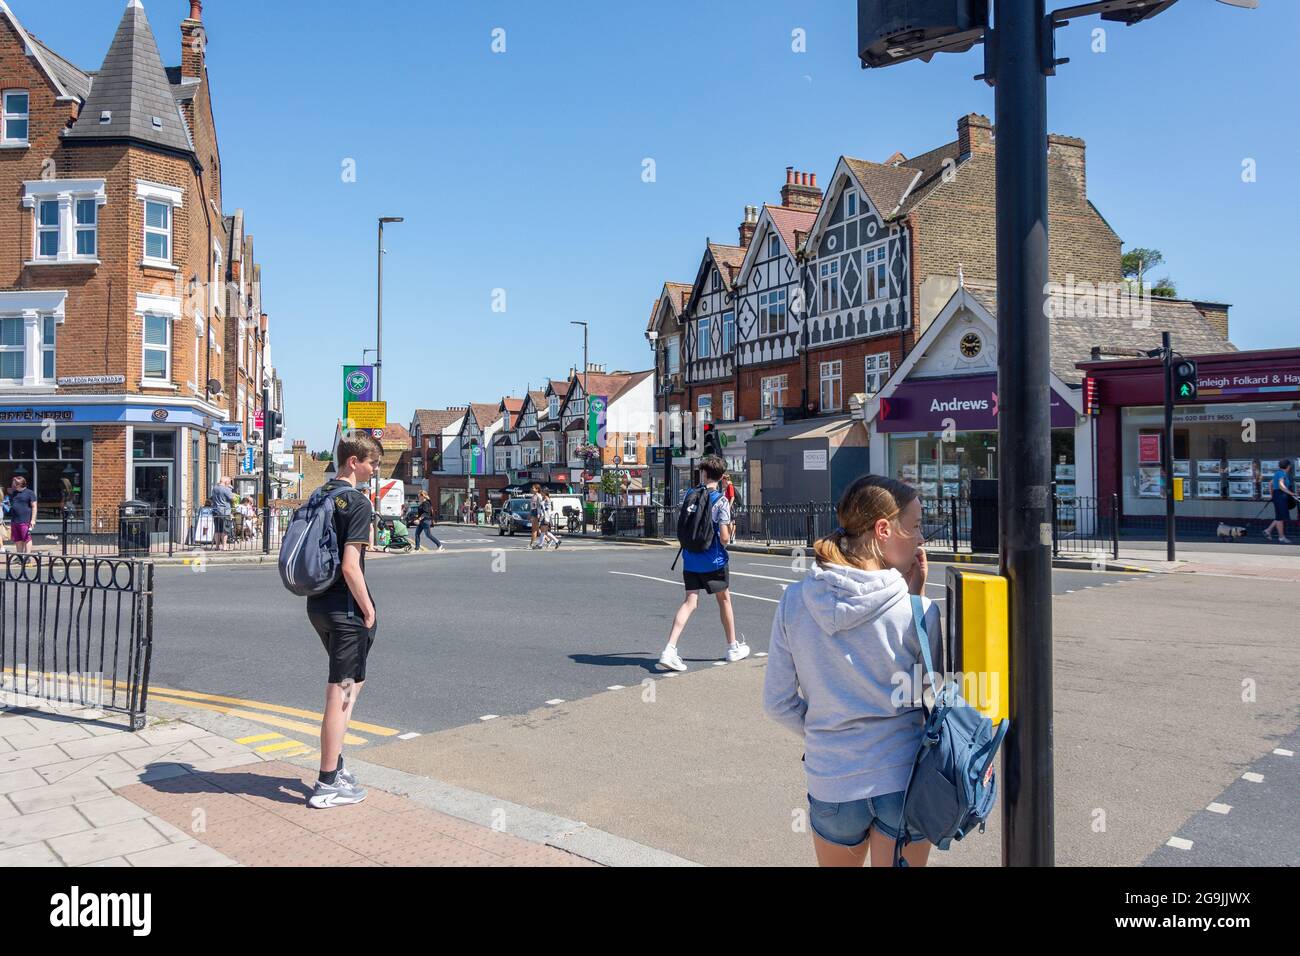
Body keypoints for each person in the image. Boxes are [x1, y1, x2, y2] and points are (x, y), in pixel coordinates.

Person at [763, 475, 940, 868]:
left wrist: (827, 729)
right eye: (913, 526)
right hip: (904, 778)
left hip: (832, 779)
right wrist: (917, 597)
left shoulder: (793, 602)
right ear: (883, 529)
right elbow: (930, 695)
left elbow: (776, 703)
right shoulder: (919, 611)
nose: (920, 539)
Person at [305, 432, 382, 809]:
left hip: (317, 604)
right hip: (346, 610)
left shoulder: (320, 495)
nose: (375, 470)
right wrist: (368, 610)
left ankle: (337, 767)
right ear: (354, 462)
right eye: (373, 463)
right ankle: (326, 784)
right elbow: (352, 567)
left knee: (350, 689)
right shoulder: (356, 503)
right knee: (340, 695)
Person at [659, 455, 750, 671]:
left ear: (704, 473)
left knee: (690, 602)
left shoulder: (690, 494)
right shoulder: (720, 501)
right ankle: (732, 647)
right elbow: (725, 538)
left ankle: (669, 649)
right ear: (720, 477)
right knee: (724, 600)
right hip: (713, 560)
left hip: (690, 558)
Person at [1264, 459, 1298, 544]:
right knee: (1281, 517)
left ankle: (1268, 531)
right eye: (1290, 465)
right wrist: (1291, 493)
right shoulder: (1282, 474)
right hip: (1281, 495)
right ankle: (1281, 537)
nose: (1290, 467)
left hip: (1278, 496)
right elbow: (1281, 485)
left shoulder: (1278, 473)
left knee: (1279, 516)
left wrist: (1272, 495)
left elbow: (1270, 483)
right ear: (1288, 466)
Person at [7, 476, 37, 554]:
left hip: (25, 520)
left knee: (26, 538)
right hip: (14, 521)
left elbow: (34, 506)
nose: (12, 484)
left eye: (14, 483)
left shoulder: (30, 493)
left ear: (19, 484)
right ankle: (20, 556)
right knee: (17, 540)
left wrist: (33, 520)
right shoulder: (14, 493)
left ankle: (27, 556)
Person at [209, 476, 234, 551]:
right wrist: (230, 488)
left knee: (217, 529)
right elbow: (232, 498)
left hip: (215, 510)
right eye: (229, 482)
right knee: (225, 529)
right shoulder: (226, 489)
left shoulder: (215, 488)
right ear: (226, 482)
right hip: (225, 511)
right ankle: (224, 546)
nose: (229, 484)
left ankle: (217, 546)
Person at [528, 484, 544, 549]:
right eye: (532, 488)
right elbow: (532, 506)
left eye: (533, 488)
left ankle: (531, 544)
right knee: (537, 529)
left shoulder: (538, 496)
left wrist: (539, 513)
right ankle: (548, 540)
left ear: (537, 489)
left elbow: (540, 505)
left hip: (536, 512)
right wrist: (530, 513)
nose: (532, 489)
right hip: (533, 512)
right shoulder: (533, 496)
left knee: (534, 530)